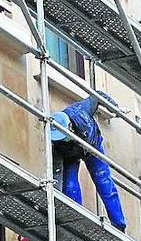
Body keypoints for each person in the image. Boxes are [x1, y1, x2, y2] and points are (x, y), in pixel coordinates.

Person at [49, 92, 127, 231]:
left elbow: (97, 96)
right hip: (70, 155)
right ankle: (75, 221)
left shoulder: (80, 111)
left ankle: (119, 224)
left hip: (92, 146)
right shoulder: (56, 145)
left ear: (70, 127)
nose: (61, 140)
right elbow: (57, 176)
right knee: (69, 186)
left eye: (63, 137)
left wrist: (114, 108)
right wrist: (53, 202)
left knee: (104, 182)